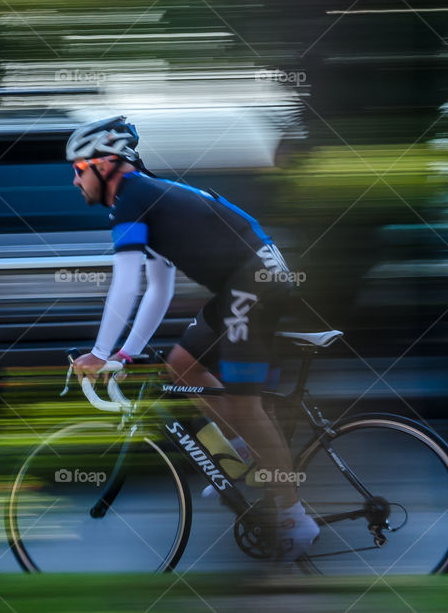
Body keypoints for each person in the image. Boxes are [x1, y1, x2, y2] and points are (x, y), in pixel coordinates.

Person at [66, 115, 318, 561]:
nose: (74, 180)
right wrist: (125, 353)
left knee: (245, 403)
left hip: (254, 283)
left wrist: (100, 354)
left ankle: (294, 514)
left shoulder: (132, 197)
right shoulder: (148, 197)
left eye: (78, 169)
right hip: (244, 283)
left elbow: (126, 283)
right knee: (181, 366)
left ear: (105, 165)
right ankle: (241, 458)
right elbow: (158, 289)